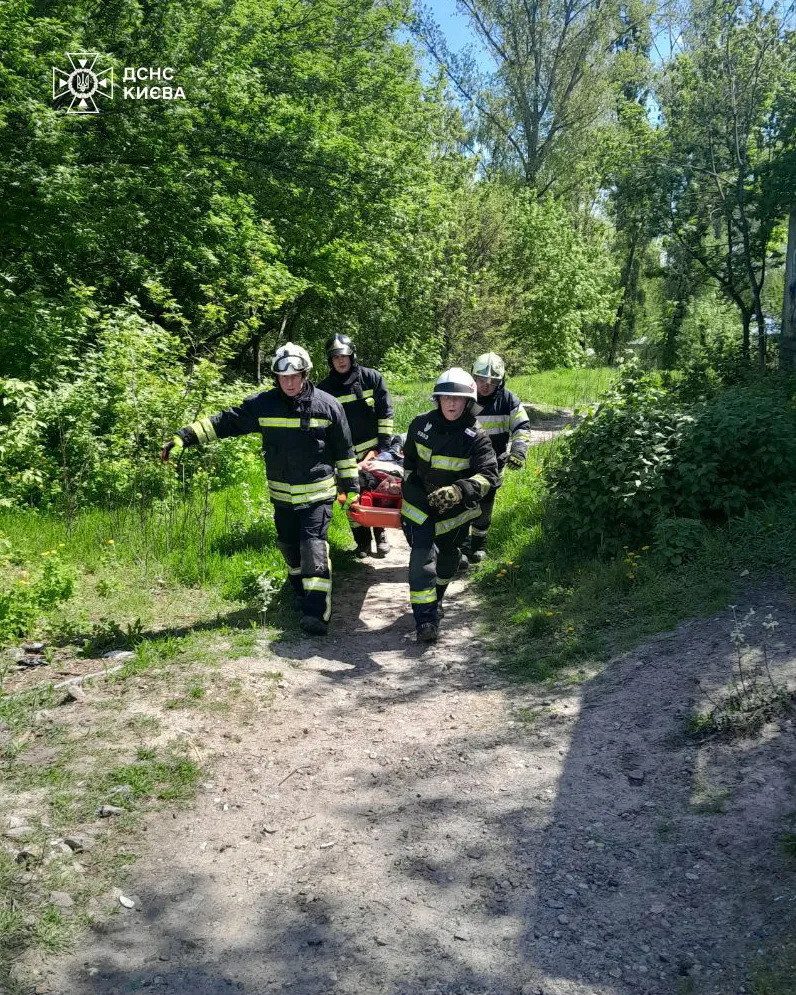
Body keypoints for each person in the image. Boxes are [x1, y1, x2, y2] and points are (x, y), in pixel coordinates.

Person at [161, 343, 359, 636]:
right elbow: (226, 421)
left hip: (318, 495)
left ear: (306, 374)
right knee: (290, 548)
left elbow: (344, 450)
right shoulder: (264, 405)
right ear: (276, 378)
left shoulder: (328, 405)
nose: (289, 382)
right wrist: (185, 437)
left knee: (313, 547)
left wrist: (351, 487)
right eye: (283, 377)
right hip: (282, 496)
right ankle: (299, 593)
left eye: (295, 376)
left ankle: (316, 613)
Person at [401, 368, 499, 643]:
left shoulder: (477, 437)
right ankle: (426, 620)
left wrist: (459, 490)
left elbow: (489, 476)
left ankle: (437, 598)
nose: (452, 404)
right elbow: (408, 464)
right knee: (422, 558)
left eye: (458, 399)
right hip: (419, 506)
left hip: (455, 514)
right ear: (438, 399)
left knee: (447, 560)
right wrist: (414, 493)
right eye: (446, 398)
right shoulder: (420, 425)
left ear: (468, 402)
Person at [317, 334, 395, 559]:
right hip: (344, 456)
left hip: (373, 452)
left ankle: (380, 536)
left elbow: (385, 412)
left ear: (352, 355)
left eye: (344, 356)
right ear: (330, 361)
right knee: (349, 497)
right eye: (335, 357)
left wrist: (384, 446)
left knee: (377, 495)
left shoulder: (372, 378)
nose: (340, 361)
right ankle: (361, 543)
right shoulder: (324, 389)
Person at [461, 352, 531, 565]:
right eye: (481, 380)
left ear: (501, 381)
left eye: (492, 381)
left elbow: (522, 426)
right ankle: (461, 548)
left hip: (493, 464)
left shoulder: (508, 400)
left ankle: (478, 546)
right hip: (464, 463)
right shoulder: (464, 397)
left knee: (485, 505)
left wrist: (519, 451)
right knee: (463, 504)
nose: (486, 385)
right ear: (473, 377)